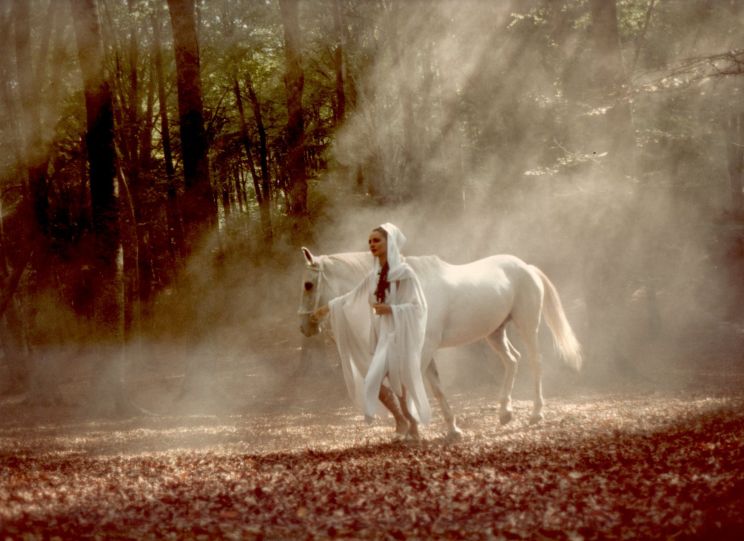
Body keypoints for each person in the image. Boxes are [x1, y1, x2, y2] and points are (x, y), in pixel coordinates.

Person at [311, 223, 431, 431]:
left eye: (377, 240)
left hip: (401, 334)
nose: (372, 245)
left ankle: (410, 425)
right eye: (369, 241)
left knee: (398, 381)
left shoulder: (405, 273)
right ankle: (403, 421)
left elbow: (418, 306)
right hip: (383, 335)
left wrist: (391, 309)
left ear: (390, 243)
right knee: (373, 380)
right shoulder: (374, 276)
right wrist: (326, 308)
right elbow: (352, 297)